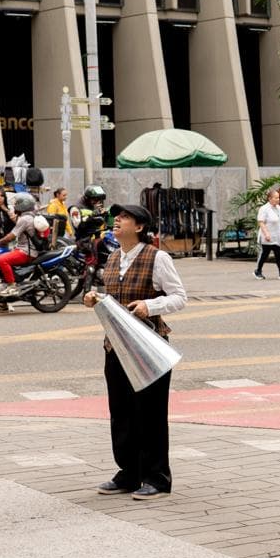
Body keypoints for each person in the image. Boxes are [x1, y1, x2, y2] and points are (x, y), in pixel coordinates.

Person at [82, 204, 186, 501]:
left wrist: (149, 306)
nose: (116, 221)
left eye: (124, 218)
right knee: (122, 412)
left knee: (150, 413)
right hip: (115, 346)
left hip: (149, 346)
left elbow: (180, 297)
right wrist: (97, 299)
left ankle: (157, 477)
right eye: (117, 217)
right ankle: (129, 472)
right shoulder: (113, 257)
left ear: (139, 227)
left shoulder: (158, 257)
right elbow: (116, 299)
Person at [0, 192, 43, 297]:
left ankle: (12, 285)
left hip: (26, 252)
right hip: (24, 249)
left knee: (2, 259)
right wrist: (6, 210)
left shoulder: (25, 219)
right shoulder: (29, 216)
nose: (14, 206)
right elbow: (15, 221)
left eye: (16, 203)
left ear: (22, 205)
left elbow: (12, 236)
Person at [253, 187, 280, 280]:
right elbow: (261, 222)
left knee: (279, 254)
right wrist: (266, 234)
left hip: (277, 236)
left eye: (278, 198)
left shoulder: (278, 208)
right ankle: (258, 271)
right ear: (270, 198)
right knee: (264, 255)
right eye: (276, 198)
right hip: (267, 237)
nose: (278, 199)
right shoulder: (264, 208)